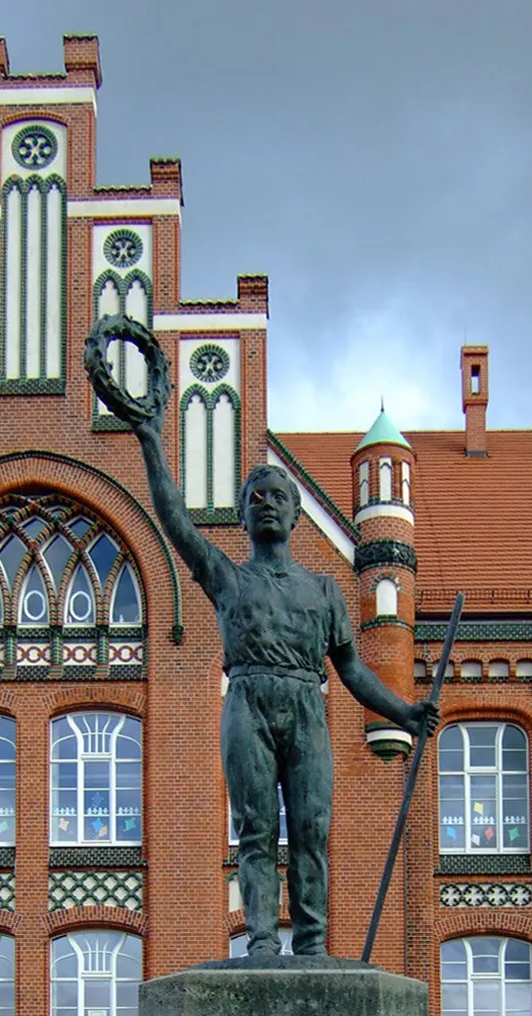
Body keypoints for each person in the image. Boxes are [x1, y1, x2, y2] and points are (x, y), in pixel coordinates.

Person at [86, 319, 439, 956]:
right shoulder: (225, 577)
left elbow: (354, 674)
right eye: (258, 497)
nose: (269, 503)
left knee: (311, 827)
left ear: (297, 515)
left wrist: (405, 711)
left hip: (307, 705)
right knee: (254, 831)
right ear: (245, 513)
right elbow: (172, 520)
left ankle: (310, 943)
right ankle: (258, 940)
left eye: (280, 495)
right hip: (247, 701)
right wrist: (149, 441)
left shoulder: (327, 591)